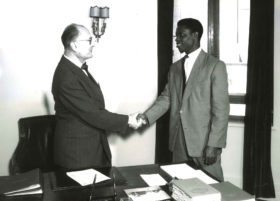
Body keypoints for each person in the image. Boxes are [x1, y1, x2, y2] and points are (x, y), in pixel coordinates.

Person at [138, 18, 229, 181]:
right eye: (176, 36)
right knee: (182, 189)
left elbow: (221, 110)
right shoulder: (174, 68)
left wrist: (214, 144)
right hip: (178, 141)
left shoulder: (215, 66)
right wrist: (146, 117)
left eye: (182, 35)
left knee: (213, 187)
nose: (177, 40)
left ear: (195, 36)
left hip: (204, 142)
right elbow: (166, 98)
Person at [52, 23, 140, 171]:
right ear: (74, 45)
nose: (93, 44)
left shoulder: (75, 69)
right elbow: (93, 113)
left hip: (89, 150)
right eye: (89, 40)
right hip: (78, 156)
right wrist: (129, 120)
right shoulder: (67, 76)